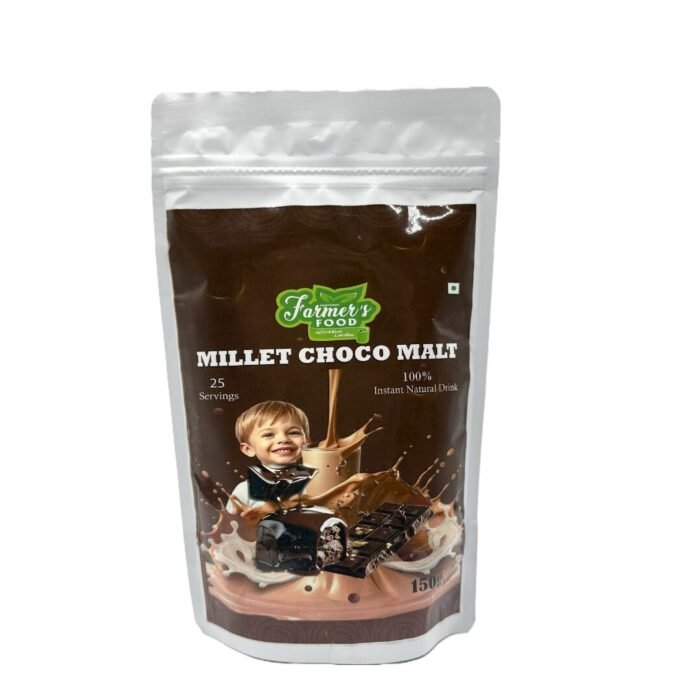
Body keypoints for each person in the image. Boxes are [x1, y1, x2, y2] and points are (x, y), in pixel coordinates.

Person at [229, 400, 310, 515]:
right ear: (248, 449)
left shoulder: (316, 483)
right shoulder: (244, 491)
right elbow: (230, 524)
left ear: (307, 442)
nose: (283, 439)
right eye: (269, 434)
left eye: (293, 433)